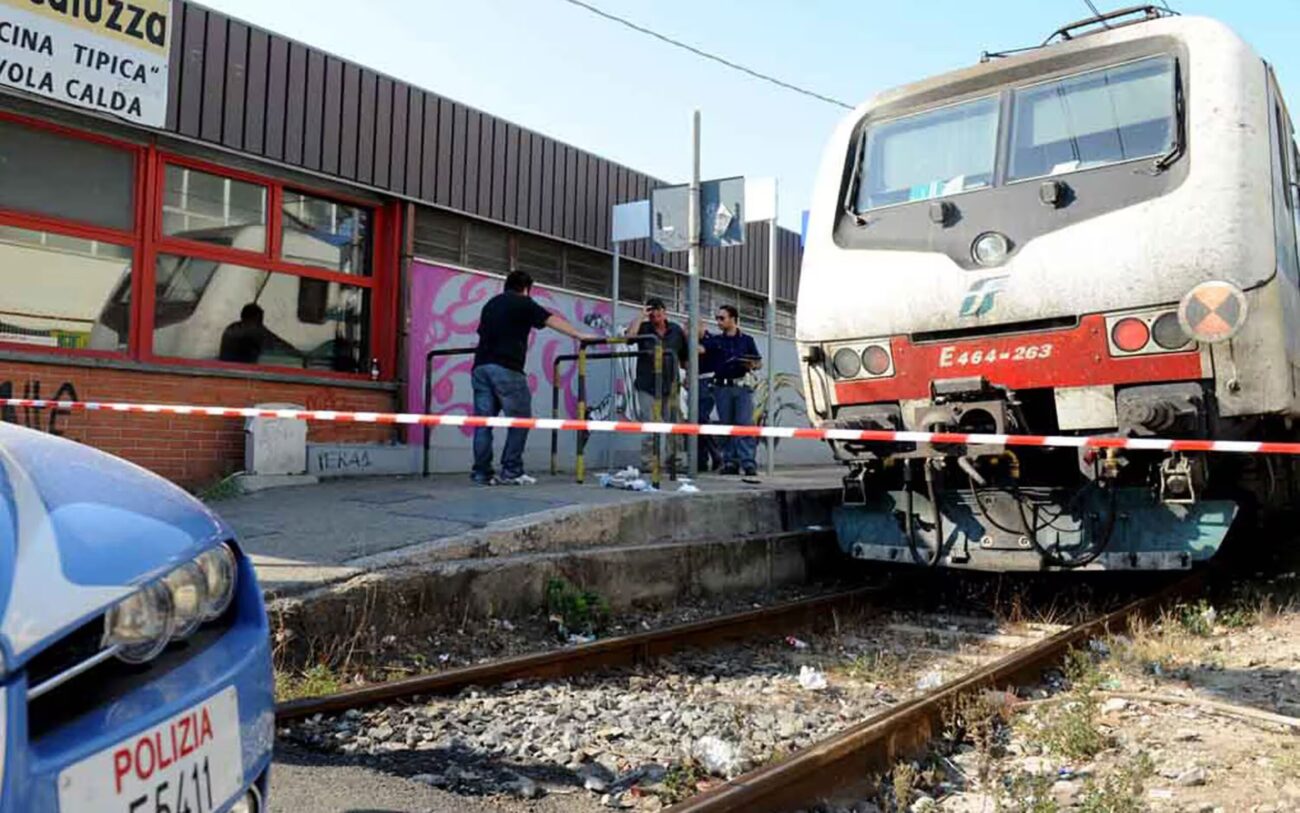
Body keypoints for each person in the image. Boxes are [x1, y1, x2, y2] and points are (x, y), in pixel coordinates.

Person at [471, 270, 594, 486]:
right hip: (507, 368)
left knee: (483, 423)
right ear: (526, 288)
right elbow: (550, 319)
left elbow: (482, 332)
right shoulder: (524, 303)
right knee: (520, 421)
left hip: (481, 367)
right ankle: (512, 471)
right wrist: (579, 335)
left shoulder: (491, 304)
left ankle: (481, 473)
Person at [627, 297, 689, 475]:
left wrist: (687, 377)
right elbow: (628, 339)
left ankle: (675, 461)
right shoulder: (644, 329)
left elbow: (685, 357)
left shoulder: (676, 330)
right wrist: (640, 317)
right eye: (652, 314)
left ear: (665, 311)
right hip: (647, 384)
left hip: (670, 385)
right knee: (650, 425)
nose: (656, 317)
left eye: (659, 313)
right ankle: (649, 463)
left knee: (674, 424)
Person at [702, 304, 762, 477]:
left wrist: (751, 364)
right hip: (722, 387)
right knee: (726, 425)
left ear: (733, 319)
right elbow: (701, 348)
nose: (719, 322)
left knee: (744, 425)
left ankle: (748, 463)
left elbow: (758, 362)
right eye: (717, 318)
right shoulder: (716, 340)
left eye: (722, 318)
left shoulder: (747, 340)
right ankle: (730, 462)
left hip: (742, 386)